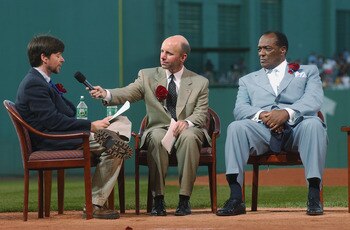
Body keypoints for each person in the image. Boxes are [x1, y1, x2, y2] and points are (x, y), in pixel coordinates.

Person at [90, 35, 209, 216]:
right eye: (162, 51)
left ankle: (184, 200)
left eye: (169, 53)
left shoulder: (200, 82)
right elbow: (128, 92)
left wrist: (187, 122)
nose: (162, 56)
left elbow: (201, 113)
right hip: (158, 128)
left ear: (183, 57)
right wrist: (106, 94)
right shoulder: (147, 76)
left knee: (189, 136)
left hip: (188, 129)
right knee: (156, 137)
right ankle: (158, 200)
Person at [15, 35, 132, 219]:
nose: (63, 59)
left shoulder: (43, 81)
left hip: (64, 135)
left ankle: (116, 138)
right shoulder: (33, 84)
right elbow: (53, 122)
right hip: (52, 141)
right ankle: (94, 203)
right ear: (44, 57)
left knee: (120, 125)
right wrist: (91, 126)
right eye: (58, 55)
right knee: (117, 148)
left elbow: (68, 111)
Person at [216, 31, 327, 216]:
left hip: (297, 128)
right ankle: (236, 198)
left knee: (314, 124)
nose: (261, 53)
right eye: (259, 49)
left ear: (282, 50)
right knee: (235, 127)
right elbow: (240, 109)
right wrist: (264, 115)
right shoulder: (247, 80)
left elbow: (313, 100)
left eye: (267, 48)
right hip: (262, 130)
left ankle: (314, 195)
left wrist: (286, 113)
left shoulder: (307, 72)